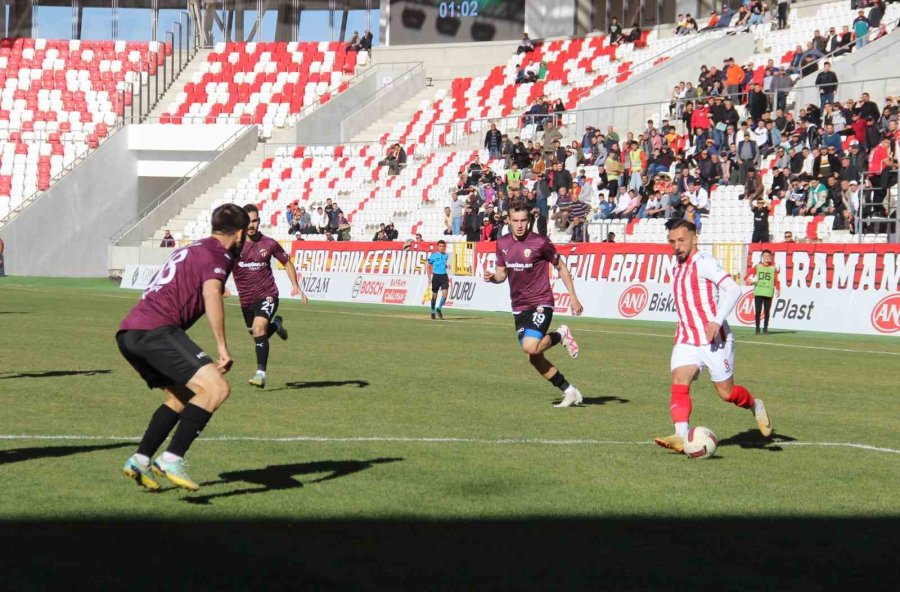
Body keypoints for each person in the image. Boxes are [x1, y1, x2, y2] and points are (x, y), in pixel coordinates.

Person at [117, 203, 249, 492]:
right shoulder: (220, 254)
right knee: (217, 389)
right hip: (156, 330)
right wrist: (222, 347)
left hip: (129, 333)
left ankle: (139, 460)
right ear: (239, 234)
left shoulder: (191, 249)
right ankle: (172, 458)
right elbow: (211, 292)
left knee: (182, 397)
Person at [654, 218, 773, 454]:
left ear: (694, 239)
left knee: (726, 393)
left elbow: (733, 288)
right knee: (679, 381)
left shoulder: (704, 262)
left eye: (681, 240)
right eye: (671, 241)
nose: (676, 246)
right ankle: (680, 436)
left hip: (714, 340)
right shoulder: (675, 263)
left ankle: (755, 404)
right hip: (687, 337)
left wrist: (716, 320)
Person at [484, 202, 585, 408]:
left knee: (531, 347)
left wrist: (573, 297)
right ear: (509, 221)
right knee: (534, 356)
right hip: (519, 307)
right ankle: (570, 391)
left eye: (523, 221)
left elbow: (561, 267)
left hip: (541, 302)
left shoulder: (540, 242)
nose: (520, 225)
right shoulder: (502, 243)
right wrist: (492, 278)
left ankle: (561, 335)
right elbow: (502, 274)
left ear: (528, 221)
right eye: (515, 221)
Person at [232, 204, 307, 389]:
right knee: (257, 336)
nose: (251, 225)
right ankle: (276, 325)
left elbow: (287, 263)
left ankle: (260, 374)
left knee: (258, 329)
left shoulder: (269, 243)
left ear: (259, 222)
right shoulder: (234, 245)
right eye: (248, 221)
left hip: (267, 295)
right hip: (246, 300)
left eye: (255, 220)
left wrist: (295, 285)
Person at [746, 249, 781, 335]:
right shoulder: (757, 266)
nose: (766, 258)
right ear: (762, 257)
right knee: (758, 311)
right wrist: (749, 281)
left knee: (767, 311)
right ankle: (757, 328)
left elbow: (776, 280)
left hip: (768, 292)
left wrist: (778, 289)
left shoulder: (774, 268)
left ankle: (765, 328)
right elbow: (747, 276)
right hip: (758, 292)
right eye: (764, 256)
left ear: (770, 258)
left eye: (768, 256)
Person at [427, 240, 451, 320]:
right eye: (440, 246)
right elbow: (428, 266)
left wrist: (448, 266)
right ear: (438, 247)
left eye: (443, 246)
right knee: (434, 296)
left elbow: (446, 265)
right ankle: (433, 311)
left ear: (444, 247)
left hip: (444, 276)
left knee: (445, 294)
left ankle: (439, 309)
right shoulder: (433, 255)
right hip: (436, 276)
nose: (441, 248)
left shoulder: (446, 256)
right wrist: (429, 278)